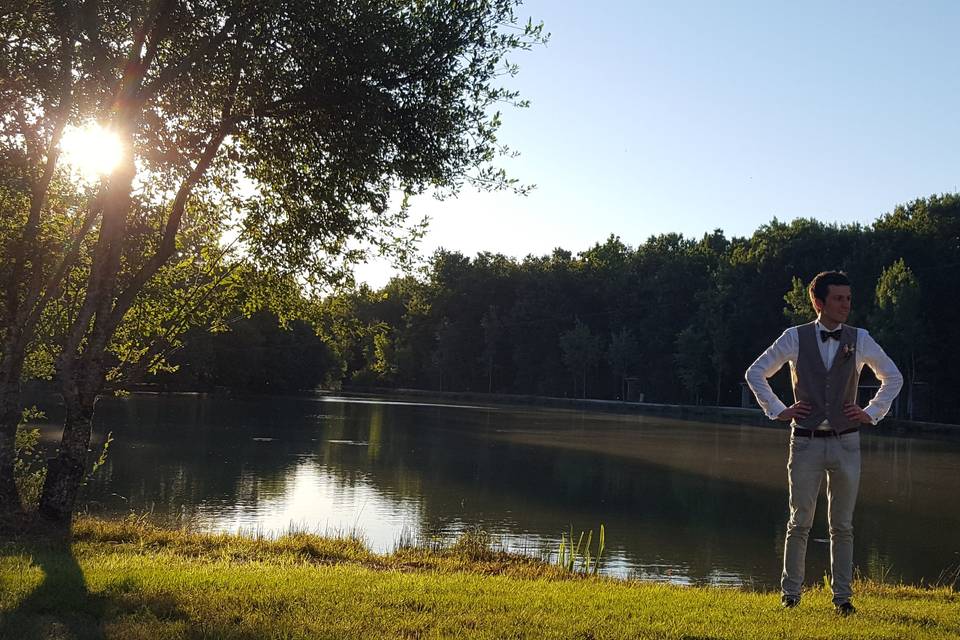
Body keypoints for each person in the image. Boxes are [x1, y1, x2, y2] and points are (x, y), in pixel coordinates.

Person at [745, 270, 903, 616]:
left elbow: (893, 376)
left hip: (847, 441)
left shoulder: (859, 338)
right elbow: (755, 373)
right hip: (805, 441)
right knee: (799, 521)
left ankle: (843, 599)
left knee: (842, 525)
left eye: (848, 298)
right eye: (839, 298)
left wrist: (871, 412)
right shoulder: (794, 337)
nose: (846, 304)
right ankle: (791, 596)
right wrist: (779, 410)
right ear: (819, 302)